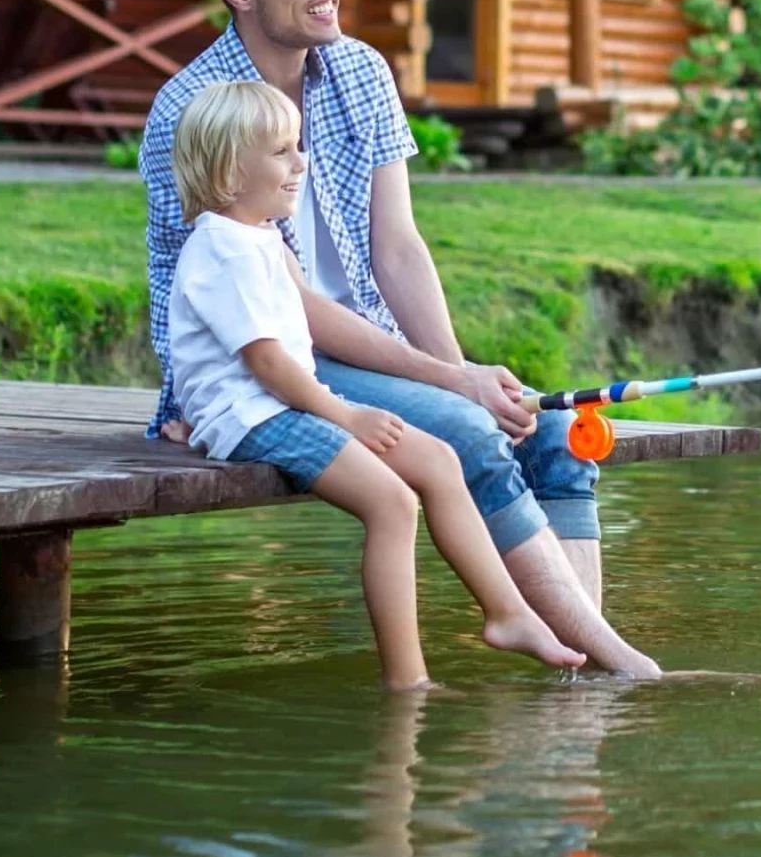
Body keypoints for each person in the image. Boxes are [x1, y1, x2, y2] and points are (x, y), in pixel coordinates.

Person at [142, 0, 661, 678]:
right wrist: (455, 388)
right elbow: (289, 311)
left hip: (369, 346)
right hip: (274, 360)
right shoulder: (197, 110)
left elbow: (399, 248)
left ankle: (582, 663)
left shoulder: (360, 72)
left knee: (552, 433)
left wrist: (463, 374)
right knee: (468, 434)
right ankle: (615, 666)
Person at [165, 78, 585, 690]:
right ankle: (408, 681)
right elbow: (268, 364)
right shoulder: (223, 250)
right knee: (392, 504)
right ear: (230, 174)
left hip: (281, 403)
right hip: (257, 413)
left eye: (298, 145)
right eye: (281, 152)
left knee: (438, 460)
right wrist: (346, 415)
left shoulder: (257, 236)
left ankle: (507, 612)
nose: (301, 163)